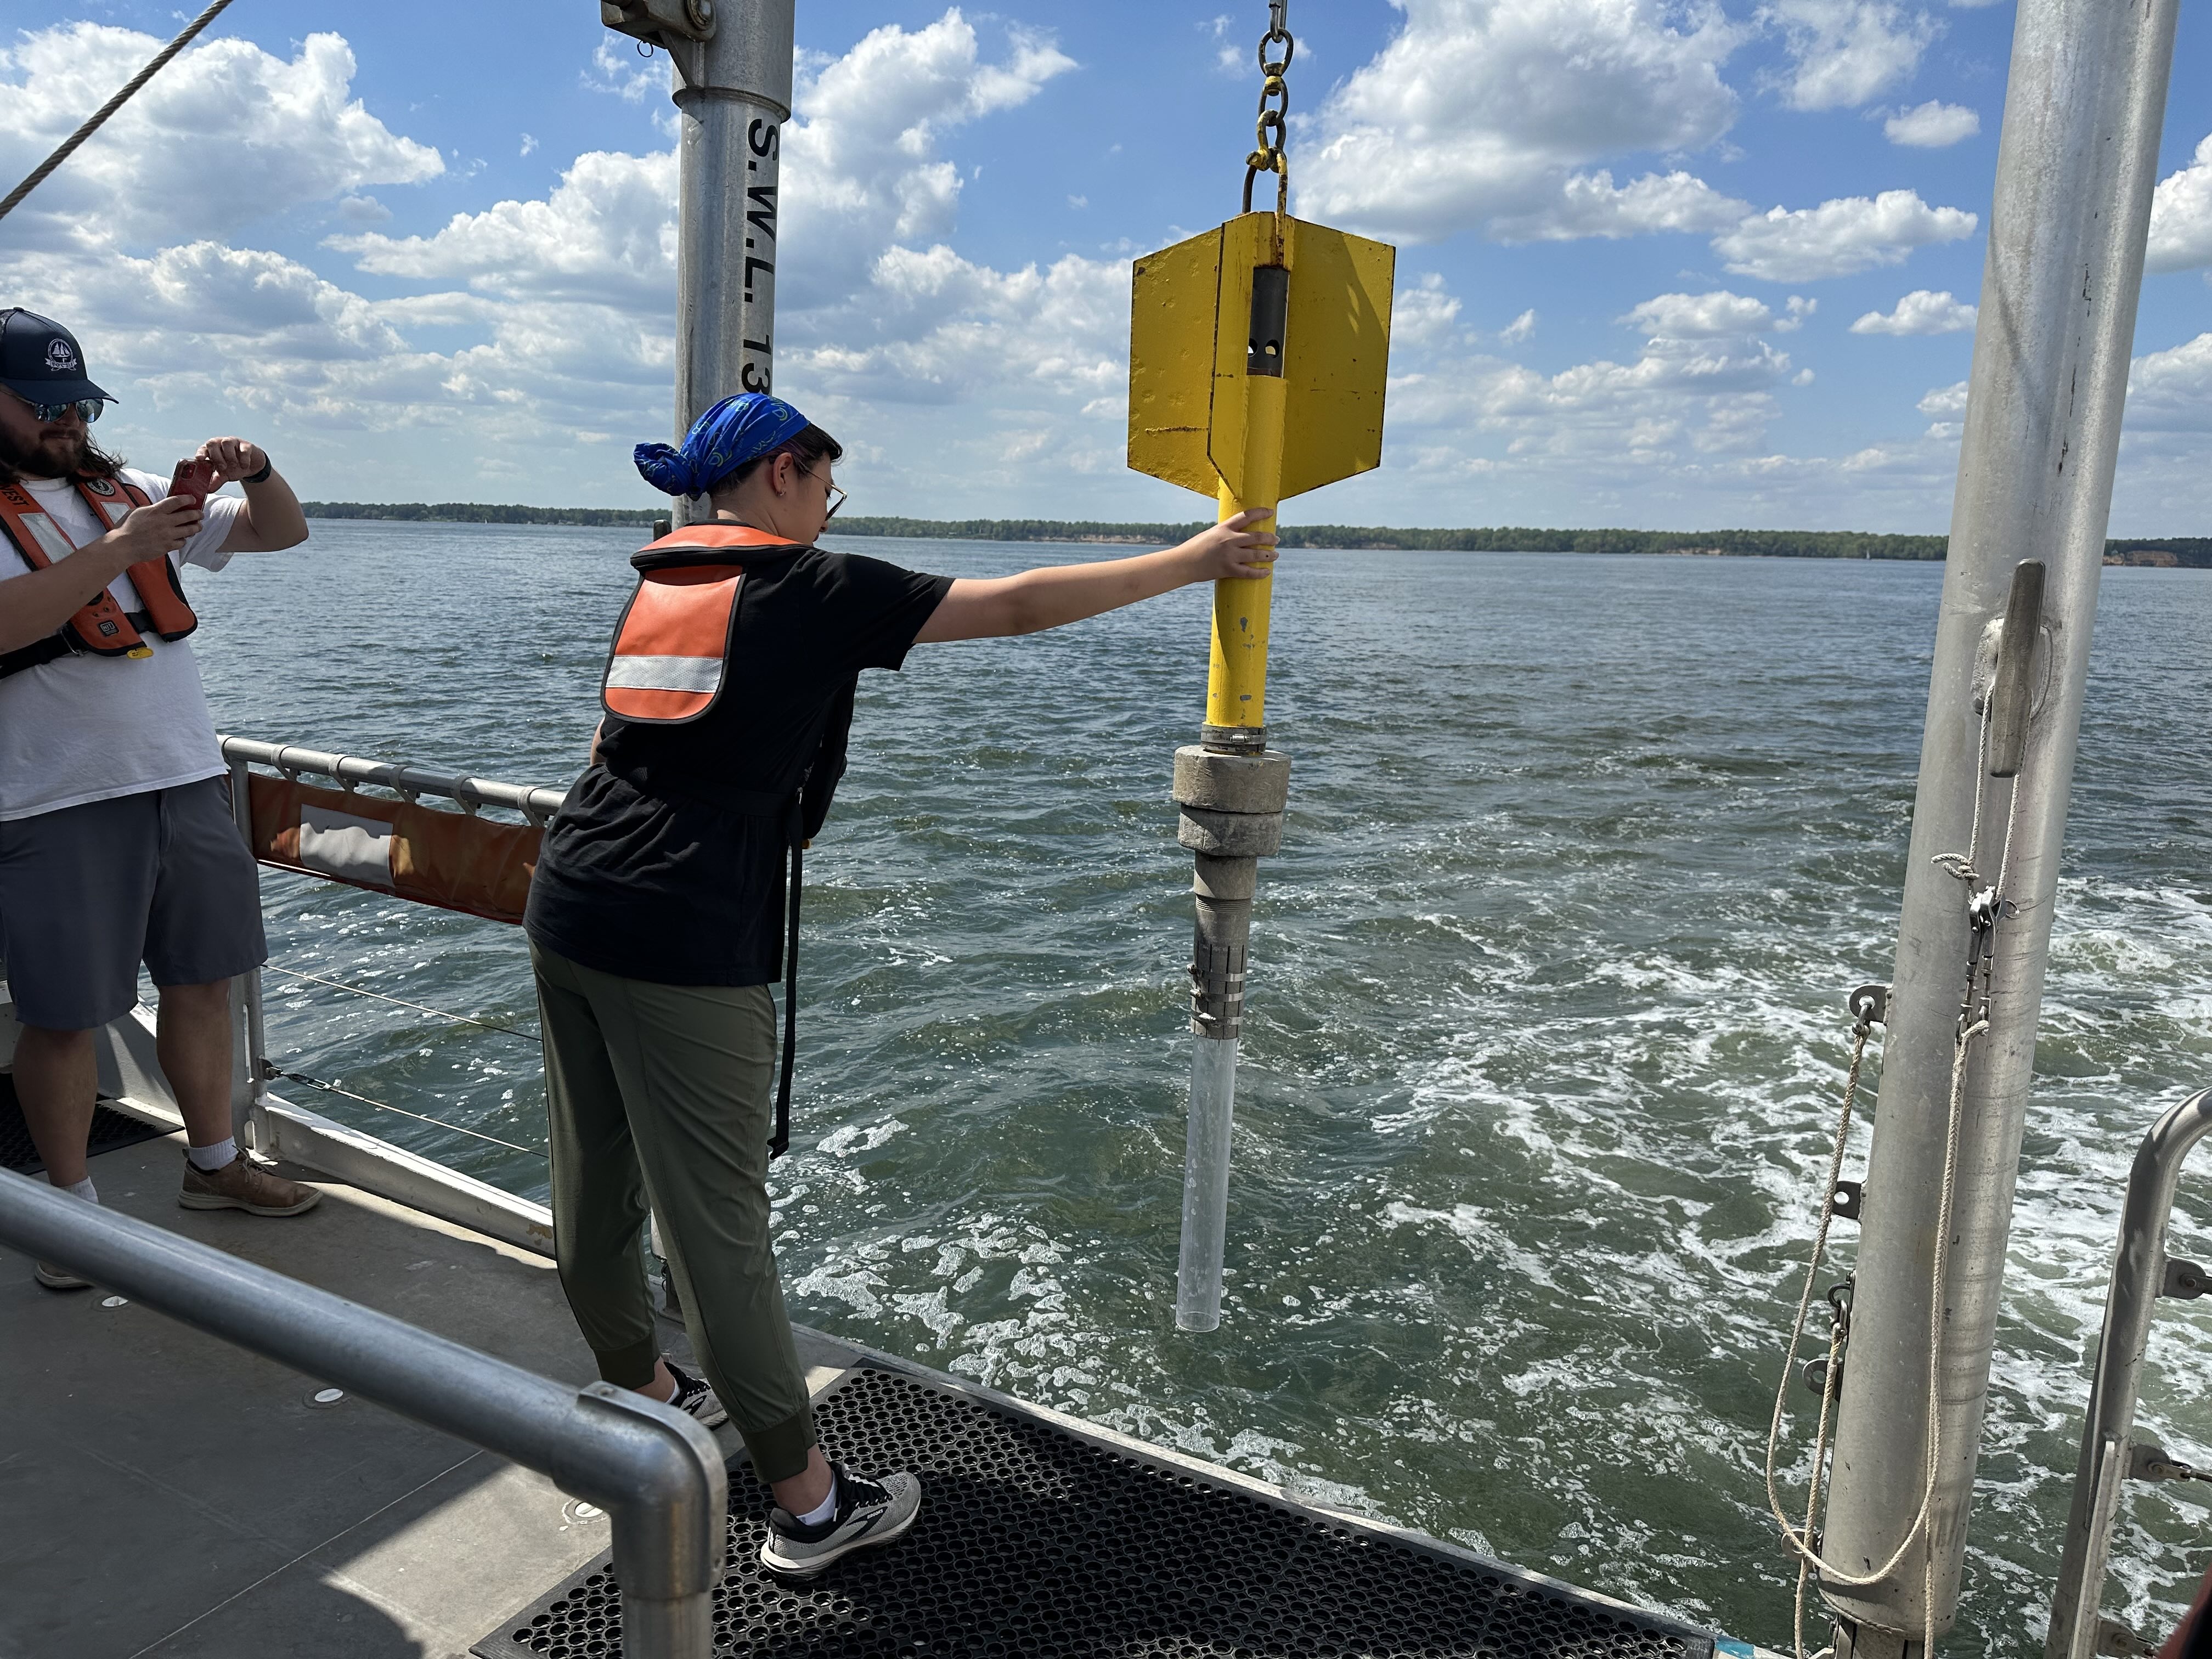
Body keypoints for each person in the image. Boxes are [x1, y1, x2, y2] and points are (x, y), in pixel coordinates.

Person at [523, 391, 1274, 1576]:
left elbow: (615, 745)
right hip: (686, 933)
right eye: (828, 480)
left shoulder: (667, 578)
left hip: (570, 895)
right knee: (719, 1232)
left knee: (594, 1173)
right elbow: (1016, 605)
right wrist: (1193, 561)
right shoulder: (815, 587)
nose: (831, 503)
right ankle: (811, 1506)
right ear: (783, 471)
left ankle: (645, 1387)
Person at [0, 307, 318, 1289]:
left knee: (203, 979)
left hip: (181, 779)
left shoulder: (126, 491)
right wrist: (118, 547)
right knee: (64, 1016)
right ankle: (71, 1220)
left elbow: (284, 533)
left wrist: (256, 470)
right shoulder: (114, 518)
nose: (65, 419)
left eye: (78, 402)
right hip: (52, 800)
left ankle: (215, 1165)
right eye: (43, 403)